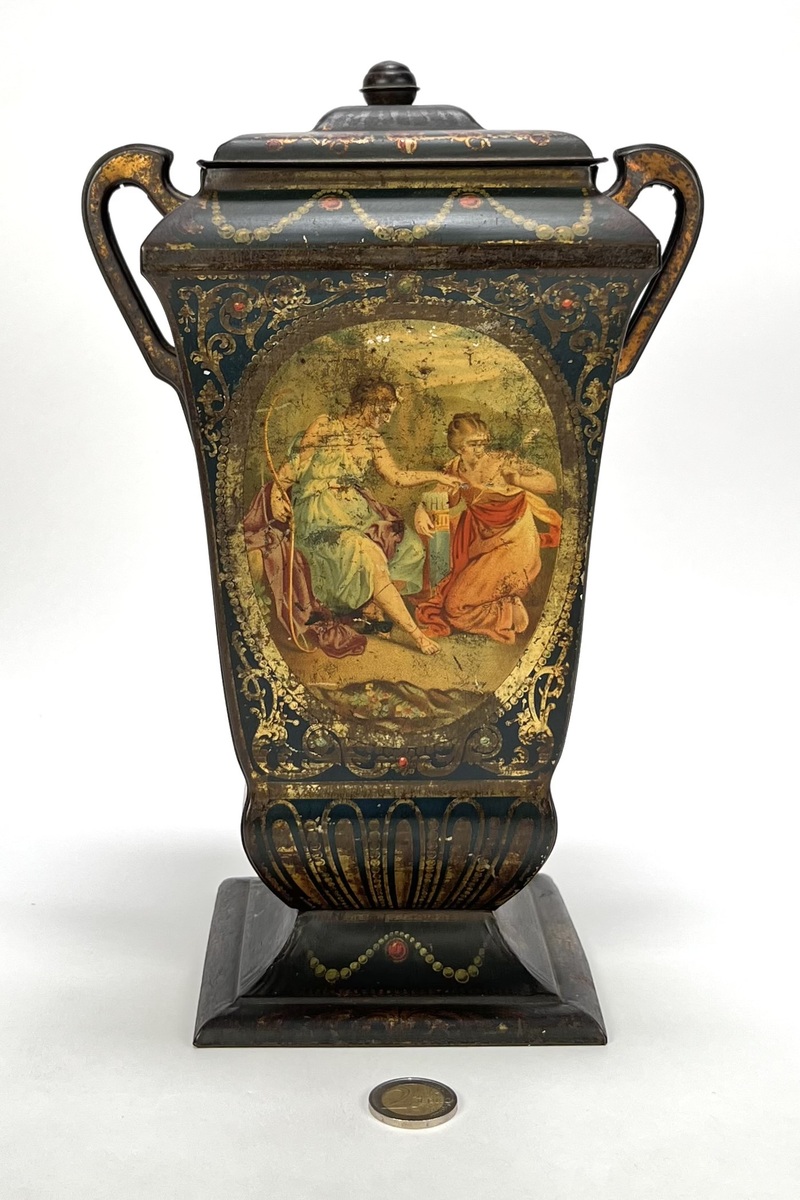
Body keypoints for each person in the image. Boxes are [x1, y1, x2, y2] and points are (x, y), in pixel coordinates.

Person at [269, 378, 455, 656]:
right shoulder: (325, 426)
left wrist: (437, 476)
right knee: (369, 555)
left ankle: (371, 604)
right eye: (385, 411)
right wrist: (276, 494)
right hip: (321, 513)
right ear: (368, 404)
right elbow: (294, 465)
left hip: (356, 511)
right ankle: (416, 636)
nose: (388, 419)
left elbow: (396, 476)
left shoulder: (372, 439)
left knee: (412, 548)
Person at [414, 412, 561, 644]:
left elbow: (550, 483)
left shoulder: (504, 462)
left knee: (455, 608)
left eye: (483, 443)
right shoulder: (455, 468)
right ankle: (502, 602)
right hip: (478, 540)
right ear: (459, 447)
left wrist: (518, 480)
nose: (480, 450)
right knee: (441, 572)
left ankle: (506, 613)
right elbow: (439, 493)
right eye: (473, 444)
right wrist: (421, 510)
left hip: (514, 542)